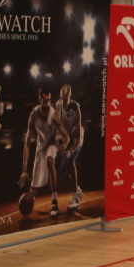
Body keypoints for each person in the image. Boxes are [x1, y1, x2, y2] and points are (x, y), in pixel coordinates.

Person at [20, 88, 70, 215]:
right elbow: (27, 144)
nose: (47, 103)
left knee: (49, 160)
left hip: (53, 143)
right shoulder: (33, 115)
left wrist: (63, 145)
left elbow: (66, 136)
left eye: (49, 100)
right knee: (33, 190)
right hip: (41, 146)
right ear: (39, 100)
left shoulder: (54, 114)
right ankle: (29, 205)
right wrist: (24, 170)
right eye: (45, 100)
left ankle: (54, 202)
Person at [54, 83, 85, 211]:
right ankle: (77, 189)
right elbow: (57, 125)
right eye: (62, 98)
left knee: (71, 160)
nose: (64, 102)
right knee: (62, 174)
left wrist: (71, 150)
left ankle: (75, 196)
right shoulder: (58, 105)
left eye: (66, 99)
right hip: (65, 138)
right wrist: (59, 144)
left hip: (76, 138)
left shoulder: (76, 109)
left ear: (70, 96)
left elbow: (78, 137)